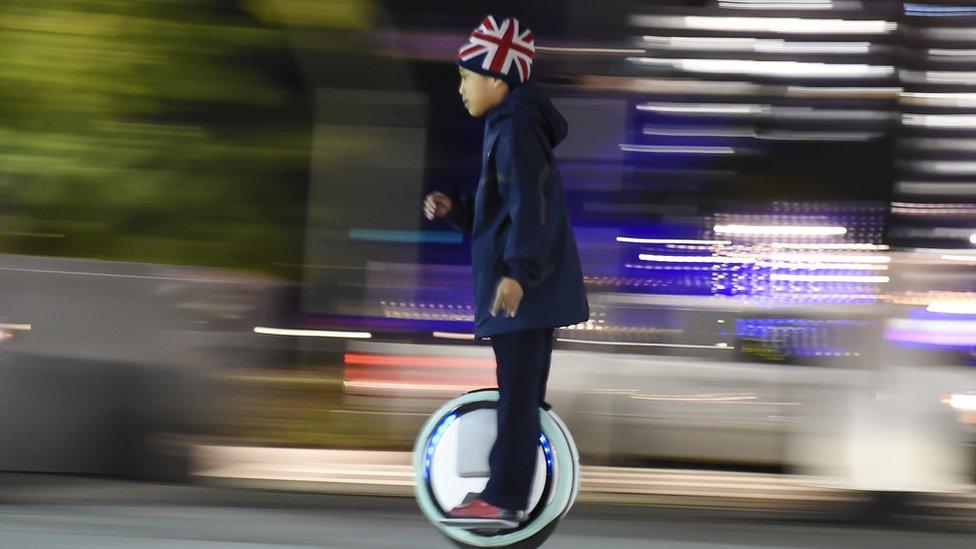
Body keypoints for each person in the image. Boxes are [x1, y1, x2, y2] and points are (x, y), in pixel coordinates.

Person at [422, 15, 589, 523]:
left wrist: (516, 274)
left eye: (467, 77)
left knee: (517, 398)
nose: (461, 88)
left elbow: (532, 209)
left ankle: (505, 496)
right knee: (520, 395)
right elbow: (503, 213)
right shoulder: (508, 126)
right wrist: (457, 212)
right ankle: (509, 494)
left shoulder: (515, 128)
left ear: (498, 79)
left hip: (525, 291)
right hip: (526, 287)